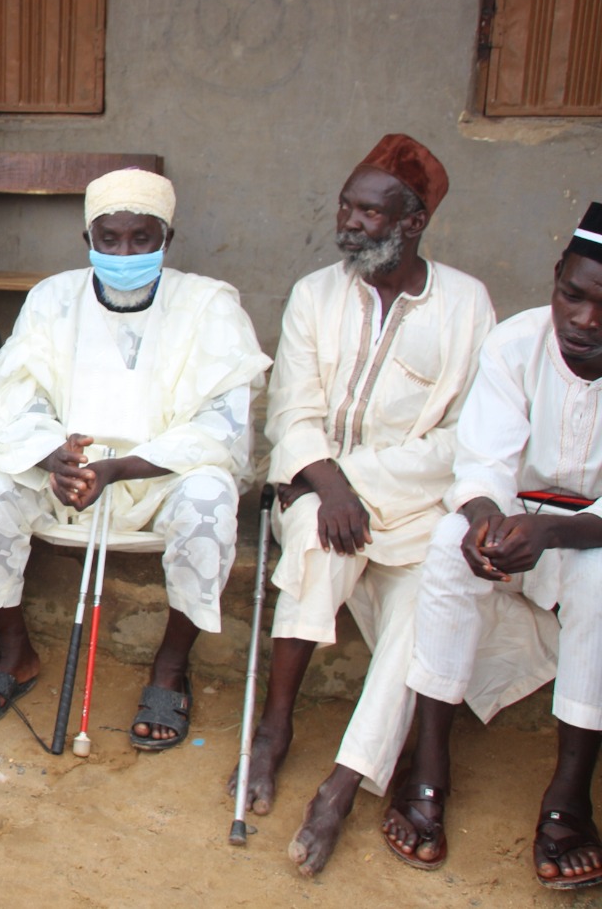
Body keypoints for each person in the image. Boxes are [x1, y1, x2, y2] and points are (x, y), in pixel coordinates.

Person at [232, 135, 494, 877]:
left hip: (415, 504)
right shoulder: (315, 292)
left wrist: (357, 483)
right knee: (315, 539)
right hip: (319, 490)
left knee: (428, 606)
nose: (349, 221)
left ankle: (344, 784)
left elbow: (463, 437)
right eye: (346, 205)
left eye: (369, 212)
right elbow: (293, 410)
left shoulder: (466, 305)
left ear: (413, 222)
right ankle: (274, 728)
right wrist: (333, 486)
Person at [0, 168, 271, 749]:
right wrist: (53, 458)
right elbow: (17, 400)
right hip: (67, 477)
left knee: (210, 497)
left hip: (158, 479)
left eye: (141, 238)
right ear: (88, 239)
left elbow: (222, 429)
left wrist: (120, 468)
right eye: (109, 239)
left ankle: (170, 667)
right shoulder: (52, 298)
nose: (124, 253)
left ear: (167, 239)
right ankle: (14, 651)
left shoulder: (210, 305)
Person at [382, 202, 602, 891]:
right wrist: (484, 520)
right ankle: (428, 767)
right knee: (450, 544)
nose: (585, 320)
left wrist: (555, 532)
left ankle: (569, 794)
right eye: (573, 295)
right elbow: (483, 463)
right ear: (556, 277)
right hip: (515, 515)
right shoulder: (516, 341)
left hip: (590, 533)